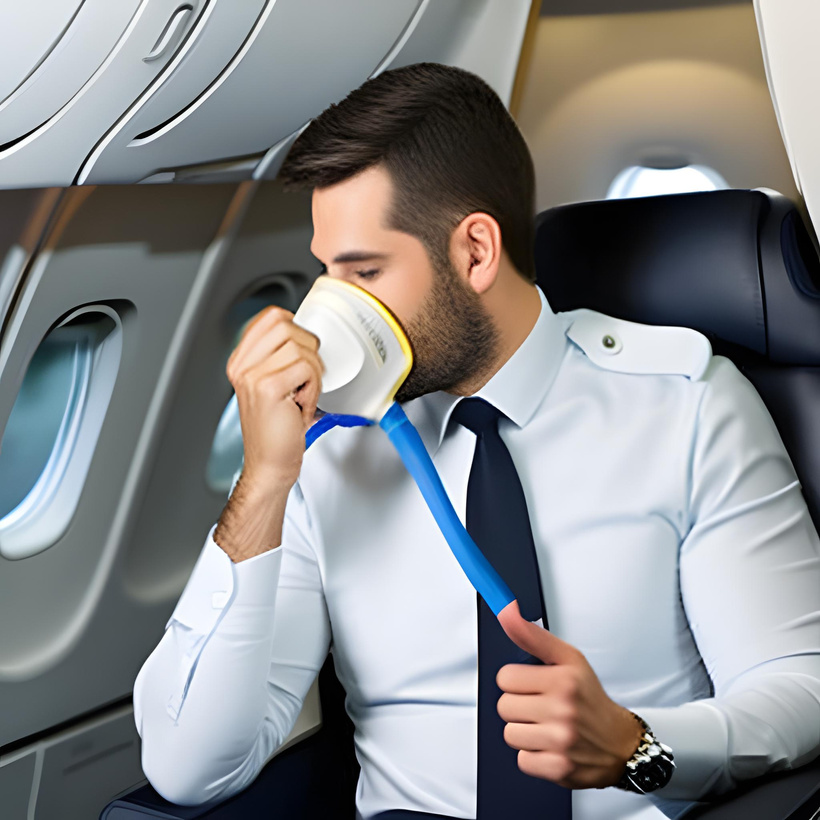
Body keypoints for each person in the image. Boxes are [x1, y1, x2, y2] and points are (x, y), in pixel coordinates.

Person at [134, 62, 820, 819]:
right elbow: (185, 769)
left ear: (475, 252)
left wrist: (638, 745)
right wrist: (262, 480)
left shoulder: (685, 408)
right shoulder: (324, 457)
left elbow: (799, 687)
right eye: (325, 272)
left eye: (365, 271)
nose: (325, 313)